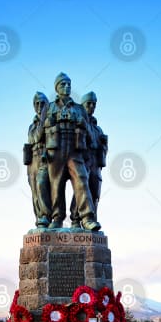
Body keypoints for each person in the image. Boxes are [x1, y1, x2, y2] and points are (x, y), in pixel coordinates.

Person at [43, 72, 101, 231]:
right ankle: (57, 218)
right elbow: (41, 132)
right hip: (55, 148)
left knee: (82, 179)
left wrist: (81, 122)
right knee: (56, 184)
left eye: (69, 84)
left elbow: (90, 133)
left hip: (75, 148)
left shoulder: (79, 108)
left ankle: (87, 218)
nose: (67, 86)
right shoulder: (49, 107)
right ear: (57, 88)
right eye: (63, 84)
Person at [70, 91, 107, 228]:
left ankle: (92, 220)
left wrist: (103, 146)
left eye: (94, 104)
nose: (91, 106)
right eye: (88, 104)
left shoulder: (98, 129)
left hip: (95, 164)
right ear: (83, 105)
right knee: (81, 190)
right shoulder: (78, 123)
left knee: (94, 193)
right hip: (82, 160)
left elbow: (103, 149)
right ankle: (75, 219)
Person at [24, 92, 51, 228]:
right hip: (32, 161)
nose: (40, 106)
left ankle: (46, 216)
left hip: (45, 159)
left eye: (43, 104)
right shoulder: (32, 125)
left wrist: (44, 118)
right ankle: (40, 219)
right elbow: (34, 138)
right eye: (37, 104)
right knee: (35, 193)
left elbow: (40, 137)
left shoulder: (48, 122)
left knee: (42, 185)